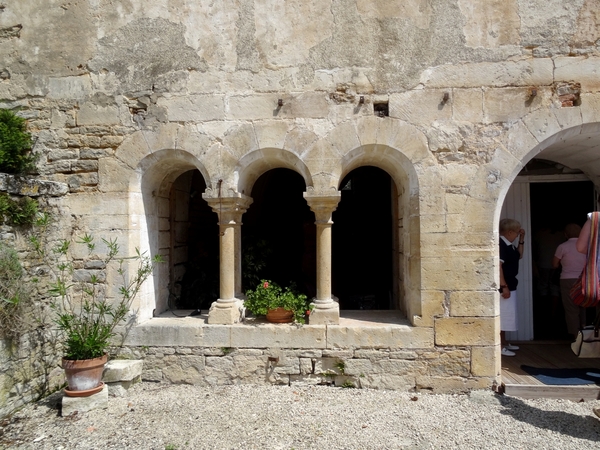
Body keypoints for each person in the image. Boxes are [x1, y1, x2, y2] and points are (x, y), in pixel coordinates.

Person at [552, 223, 587, 339]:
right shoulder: (587, 246)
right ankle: (585, 332)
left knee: (571, 308)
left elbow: (554, 264)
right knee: (582, 306)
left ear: (565, 234)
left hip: (567, 279)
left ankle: (576, 336)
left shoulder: (562, 247)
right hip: (584, 279)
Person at [499, 218, 525, 357]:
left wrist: (522, 239)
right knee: (502, 317)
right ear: (509, 232)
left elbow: (519, 256)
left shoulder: (510, 245)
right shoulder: (501, 245)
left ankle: (504, 341)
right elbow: (499, 267)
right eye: (516, 232)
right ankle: (500, 345)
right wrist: (504, 286)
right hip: (505, 286)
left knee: (507, 317)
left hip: (511, 284)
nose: (517, 234)